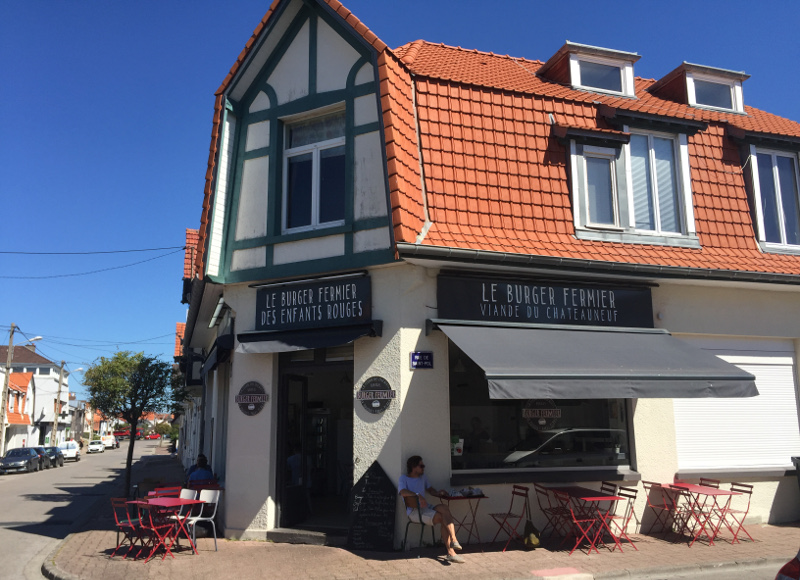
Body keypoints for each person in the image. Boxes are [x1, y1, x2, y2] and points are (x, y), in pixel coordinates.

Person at [398, 455, 464, 564]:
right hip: (415, 512)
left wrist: (438, 493)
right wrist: (418, 495)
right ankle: (451, 552)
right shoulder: (404, 478)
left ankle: (454, 540)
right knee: (443, 517)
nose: (423, 468)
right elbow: (402, 492)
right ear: (414, 467)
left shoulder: (423, 478)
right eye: (421, 466)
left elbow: (430, 490)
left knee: (444, 509)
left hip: (426, 508)